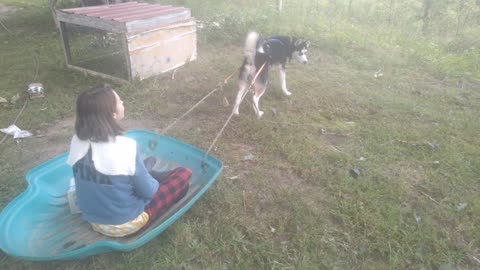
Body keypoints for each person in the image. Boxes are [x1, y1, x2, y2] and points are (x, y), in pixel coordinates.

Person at [66, 84, 191, 237]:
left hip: (92, 219)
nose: (123, 102)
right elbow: (149, 191)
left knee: (132, 173)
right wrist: (152, 183)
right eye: (119, 101)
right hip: (126, 223)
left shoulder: (77, 140)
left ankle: (147, 171)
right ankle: (150, 173)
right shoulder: (125, 146)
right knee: (183, 174)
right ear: (112, 114)